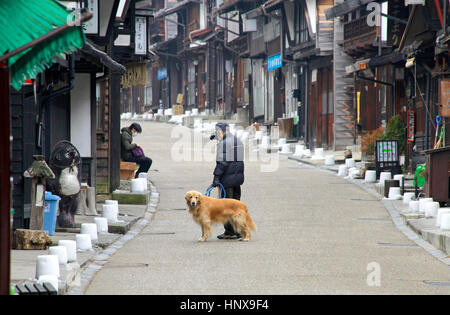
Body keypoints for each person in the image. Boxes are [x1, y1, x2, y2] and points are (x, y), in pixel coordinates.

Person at [211, 122, 245, 240]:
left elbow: (222, 163)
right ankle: (239, 230)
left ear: (220, 131)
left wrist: (216, 177)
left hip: (227, 180)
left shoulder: (224, 144)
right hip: (237, 179)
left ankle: (230, 232)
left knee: (226, 207)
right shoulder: (237, 141)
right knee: (236, 206)